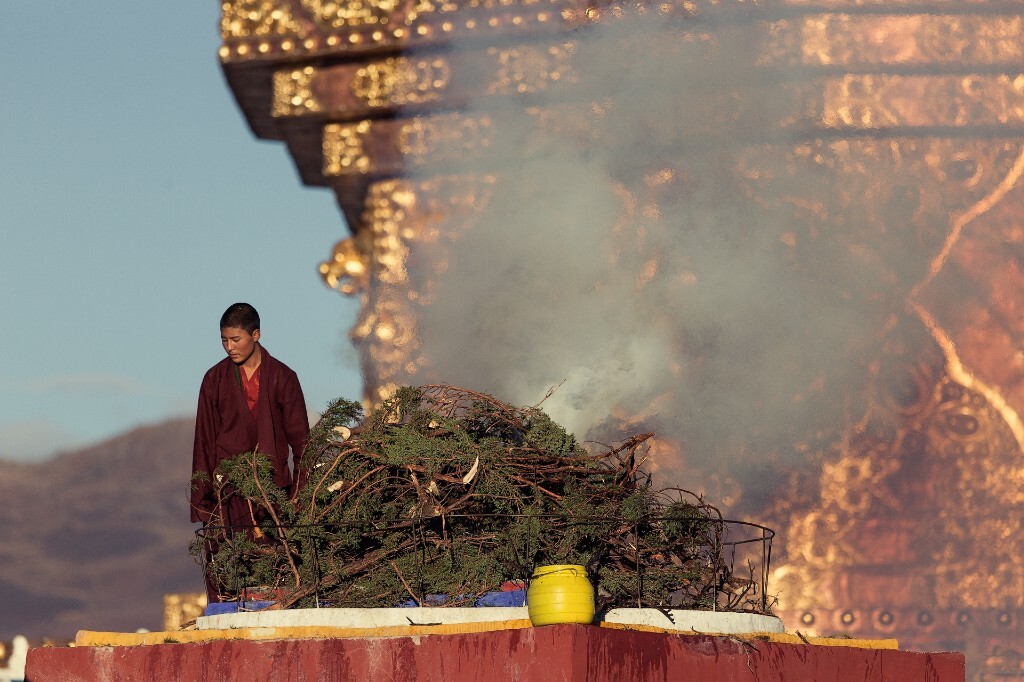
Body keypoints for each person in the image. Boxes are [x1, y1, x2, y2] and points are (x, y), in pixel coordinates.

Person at [190, 302, 310, 602]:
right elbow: (203, 441)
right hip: (228, 494)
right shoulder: (213, 380)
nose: (229, 347)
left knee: (277, 567)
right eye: (224, 340)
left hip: (273, 493)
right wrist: (204, 502)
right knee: (228, 571)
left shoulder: (283, 377)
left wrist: (299, 493)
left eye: (236, 339)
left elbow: (302, 442)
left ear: (256, 335)